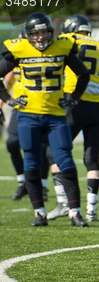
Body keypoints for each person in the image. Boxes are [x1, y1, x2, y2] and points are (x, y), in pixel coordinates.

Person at [0, 12, 90, 226]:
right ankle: (39, 213)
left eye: (43, 32)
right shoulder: (19, 49)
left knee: (65, 161)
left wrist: (75, 98)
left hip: (55, 116)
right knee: (31, 162)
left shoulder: (62, 47)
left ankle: (75, 212)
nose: (40, 37)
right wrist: (8, 100)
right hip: (28, 116)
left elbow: (83, 74)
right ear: (29, 35)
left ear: (50, 32)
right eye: (35, 33)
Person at [46, 14, 99, 223]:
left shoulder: (70, 41)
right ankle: (91, 211)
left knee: (53, 151)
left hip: (73, 103)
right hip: (98, 107)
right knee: (92, 160)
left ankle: (62, 203)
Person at [3, 28, 51, 201]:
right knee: (12, 142)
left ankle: (43, 186)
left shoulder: (49, 55)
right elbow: (6, 79)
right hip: (21, 106)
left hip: (44, 106)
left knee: (44, 146)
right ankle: (23, 182)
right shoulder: (18, 56)